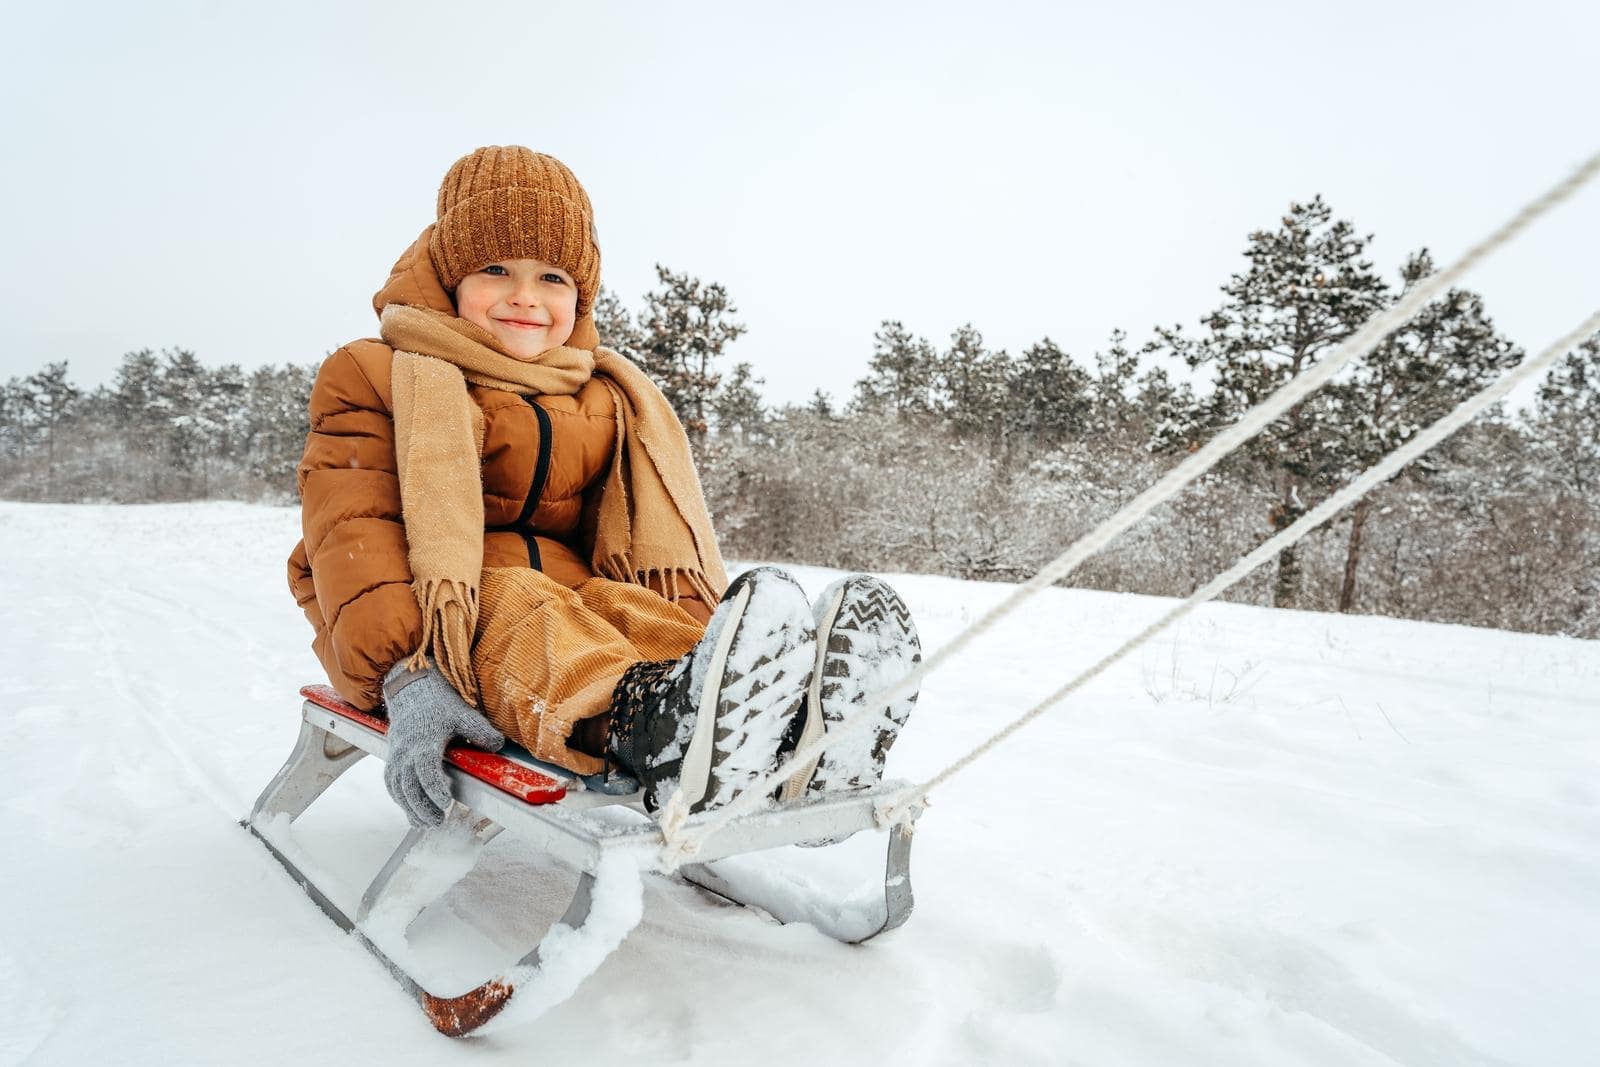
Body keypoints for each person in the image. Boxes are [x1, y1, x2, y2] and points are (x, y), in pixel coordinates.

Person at [287, 146, 921, 829]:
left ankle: (790, 729)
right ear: (449, 275)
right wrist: (407, 674)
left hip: (566, 603)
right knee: (525, 603)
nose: (526, 295)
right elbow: (352, 532)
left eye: (552, 276)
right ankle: (660, 726)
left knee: (625, 605)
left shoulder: (603, 394)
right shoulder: (375, 372)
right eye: (496, 269)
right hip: (435, 625)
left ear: (581, 293)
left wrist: (696, 625)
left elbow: (630, 554)